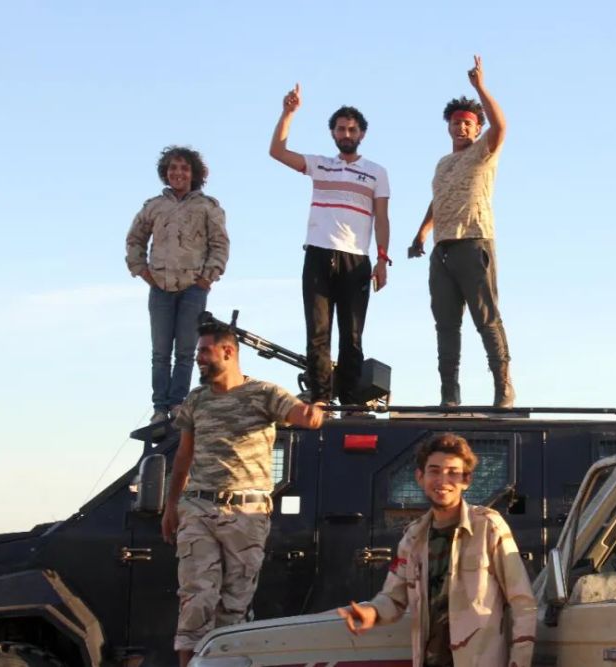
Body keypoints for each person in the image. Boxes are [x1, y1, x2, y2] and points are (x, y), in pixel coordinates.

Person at [161, 320, 324, 667]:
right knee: (196, 600)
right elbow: (183, 456)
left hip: (246, 513)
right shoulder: (196, 400)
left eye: (204, 351)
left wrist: (311, 415)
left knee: (234, 607)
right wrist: (171, 505)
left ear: (228, 351)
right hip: (199, 507)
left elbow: (300, 415)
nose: (198, 359)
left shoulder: (264, 393)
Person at [337, 433, 536, 667]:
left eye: (453, 472)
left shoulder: (488, 528)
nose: (443, 480)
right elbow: (394, 597)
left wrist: (519, 661)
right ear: (420, 477)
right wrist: (371, 612)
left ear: (466, 480)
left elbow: (522, 601)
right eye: (434, 471)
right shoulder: (413, 538)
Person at [270, 84, 391, 407]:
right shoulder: (320, 164)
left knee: (351, 335)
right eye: (340, 129)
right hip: (318, 254)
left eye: (352, 129)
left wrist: (382, 258)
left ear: (362, 133)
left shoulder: (376, 172)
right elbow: (278, 151)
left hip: (356, 258)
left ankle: (350, 403)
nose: (346, 134)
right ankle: (321, 399)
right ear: (333, 133)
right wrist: (288, 113)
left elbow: (382, 217)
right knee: (318, 332)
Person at [407, 56, 514, 409]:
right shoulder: (443, 164)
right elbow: (438, 199)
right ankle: (449, 395)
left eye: (468, 123)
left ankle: (503, 388)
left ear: (477, 128)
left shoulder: (484, 152)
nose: (461, 128)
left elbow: (501, 125)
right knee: (446, 325)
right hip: (442, 250)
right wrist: (422, 233)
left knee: (486, 319)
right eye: (456, 123)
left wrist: (480, 87)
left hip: (474, 241)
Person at [126, 146, 229, 423]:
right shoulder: (154, 207)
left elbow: (220, 244)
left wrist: (207, 278)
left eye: (184, 168)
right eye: (173, 167)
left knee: (186, 351)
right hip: (160, 287)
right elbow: (135, 239)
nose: (178, 173)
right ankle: (160, 408)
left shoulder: (207, 207)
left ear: (194, 173)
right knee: (160, 353)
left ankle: (177, 404)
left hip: (193, 288)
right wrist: (143, 271)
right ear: (165, 172)